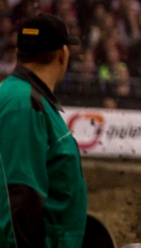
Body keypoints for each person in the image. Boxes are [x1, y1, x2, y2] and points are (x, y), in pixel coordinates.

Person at [0, 14, 87, 247]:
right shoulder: (24, 103)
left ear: (19, 53)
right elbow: (18, 193)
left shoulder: (27, 98)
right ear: (63, 54)